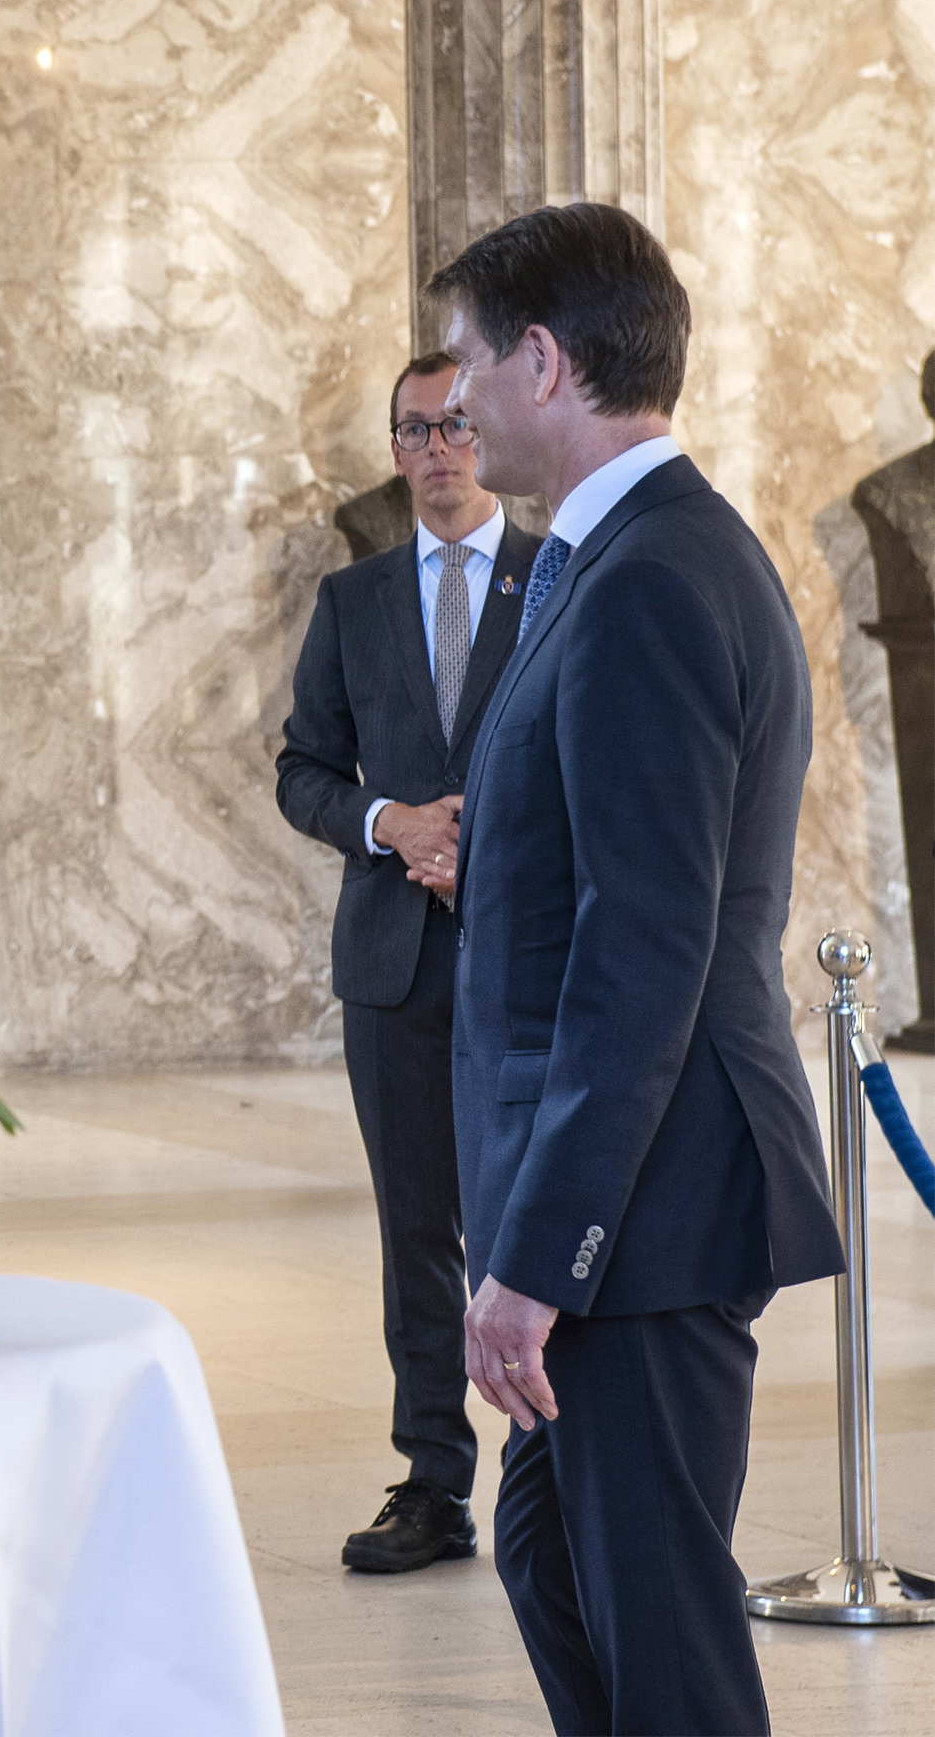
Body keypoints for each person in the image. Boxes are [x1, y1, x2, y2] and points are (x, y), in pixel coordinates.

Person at [439, 203, 845, 1735]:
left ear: (541, 361)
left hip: (645, 1202)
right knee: (553, 1563)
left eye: (472, 361)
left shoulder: (652, 579)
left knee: (657, 1626)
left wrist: (540, 1258)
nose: (456, 396)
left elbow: (644, 947)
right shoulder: (619, 561)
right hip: (624, 1187)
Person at [276, 352, 542, 1573]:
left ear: (488, 434)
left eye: (454, 424)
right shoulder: (354, 600)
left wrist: (476, 834)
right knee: (417, 1233)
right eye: (412, 430)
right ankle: (433, 1484)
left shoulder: (560, 579)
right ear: (394, 451)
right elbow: (304, 771)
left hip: (527, 958)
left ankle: (557, 1463)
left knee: (530, 1221)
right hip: (393, 963)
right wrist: (392, 824)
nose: (436, 447)